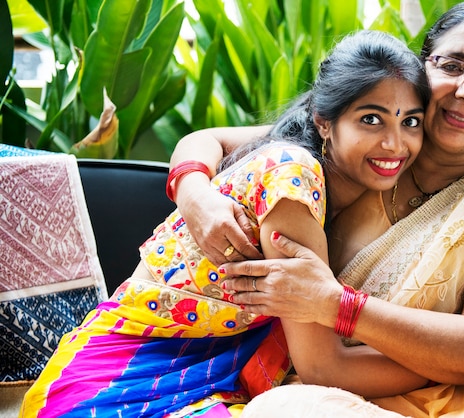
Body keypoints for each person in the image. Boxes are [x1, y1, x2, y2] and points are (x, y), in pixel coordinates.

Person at [169, 1, 464, 417]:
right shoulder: (370, 143)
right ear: (421, 70)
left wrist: (336, 304)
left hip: (441, 395)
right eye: (452, 65)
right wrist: (194, 194)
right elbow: (217, 140)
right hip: (289, 376)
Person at [20, 30, 431, 417]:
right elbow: (325, 369)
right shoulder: (294, 177)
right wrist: (450, 364)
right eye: (372, 120)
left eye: (410, 121)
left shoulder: (312, 149)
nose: (395, 143)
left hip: (170, 375)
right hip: (113, 387)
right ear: (324, 120)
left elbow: (207, 138)